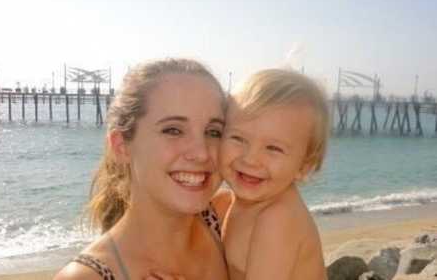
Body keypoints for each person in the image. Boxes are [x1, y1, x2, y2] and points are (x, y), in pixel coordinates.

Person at [54, 58, 229, 280]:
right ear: (121, 146)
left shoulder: (229, 222)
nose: (202, 153)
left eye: (214, 132)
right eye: (173, 130)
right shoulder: (87, 277)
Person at [217, 68, 329, 280]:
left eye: (273, 148)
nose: (250, 159)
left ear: (304, 166)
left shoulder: (277, 221)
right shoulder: (228, 201)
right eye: (238, 139)